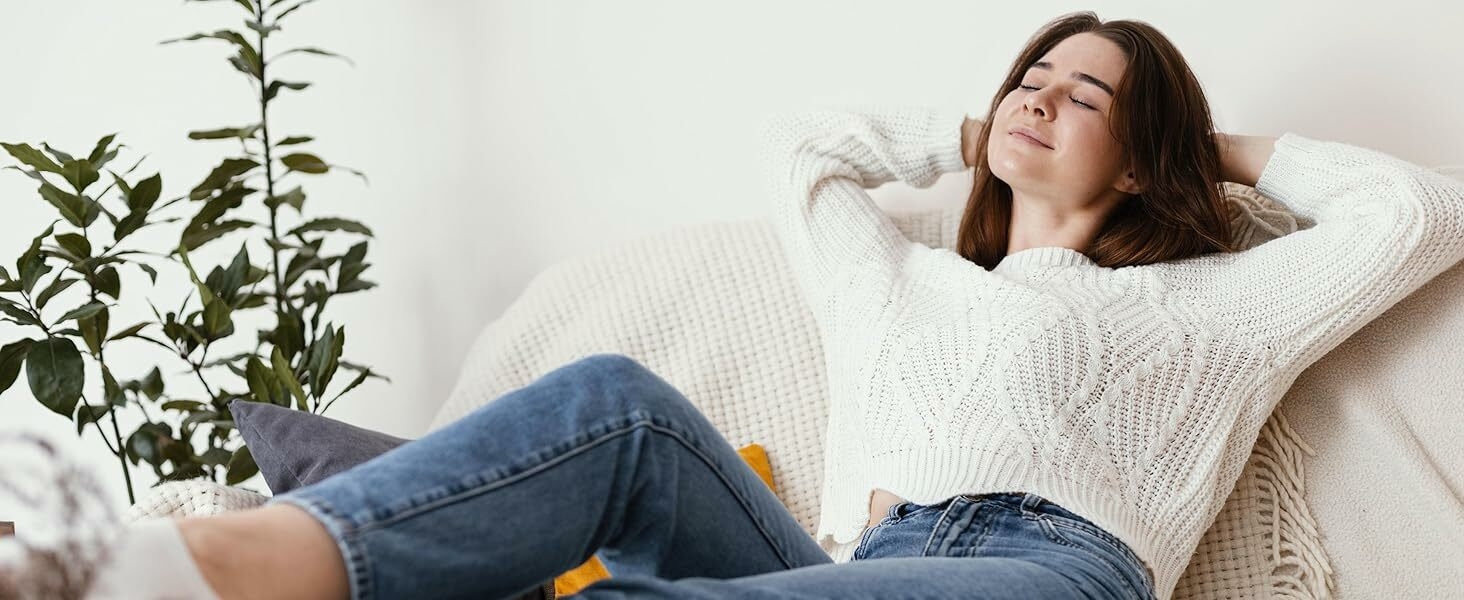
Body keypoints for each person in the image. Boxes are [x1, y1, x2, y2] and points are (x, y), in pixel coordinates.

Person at [5, 9, 1464, 600]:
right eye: (1031, 69)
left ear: (1138, 147)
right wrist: (976, 134)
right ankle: (176, 569)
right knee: (617, 408)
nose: (1038, 93)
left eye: (1088, 95)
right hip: (847, 562)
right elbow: (807, 150)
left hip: (1039, 575)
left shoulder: (1211, 309)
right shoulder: (893, 279)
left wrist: (1197, 143)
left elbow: (1420, 214)